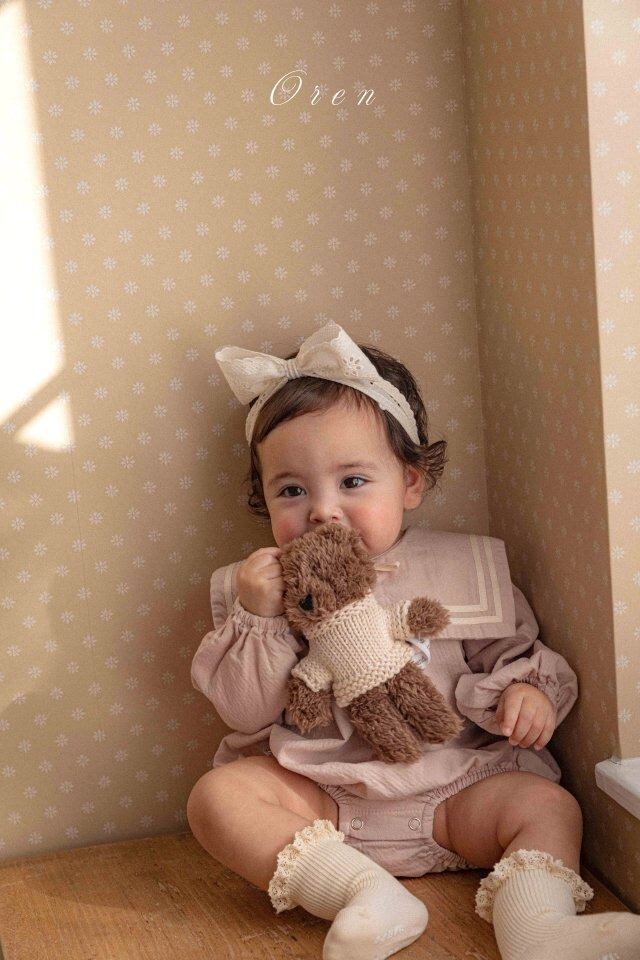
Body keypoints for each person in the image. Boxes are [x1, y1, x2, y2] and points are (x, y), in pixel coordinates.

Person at [187, 321, 640, 960]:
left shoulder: (461, 569)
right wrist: (258, 616)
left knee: (548, 805)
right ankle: (361, 895)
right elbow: (244, 712)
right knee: (217, 799)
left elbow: (513, 656)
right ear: (263, 500)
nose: (322, 510)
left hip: (458, 793)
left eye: (352, 481)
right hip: (326, 801)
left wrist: (526, 694)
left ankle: (539, 928)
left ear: (411, 482)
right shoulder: (264, 589)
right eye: (292, 490)